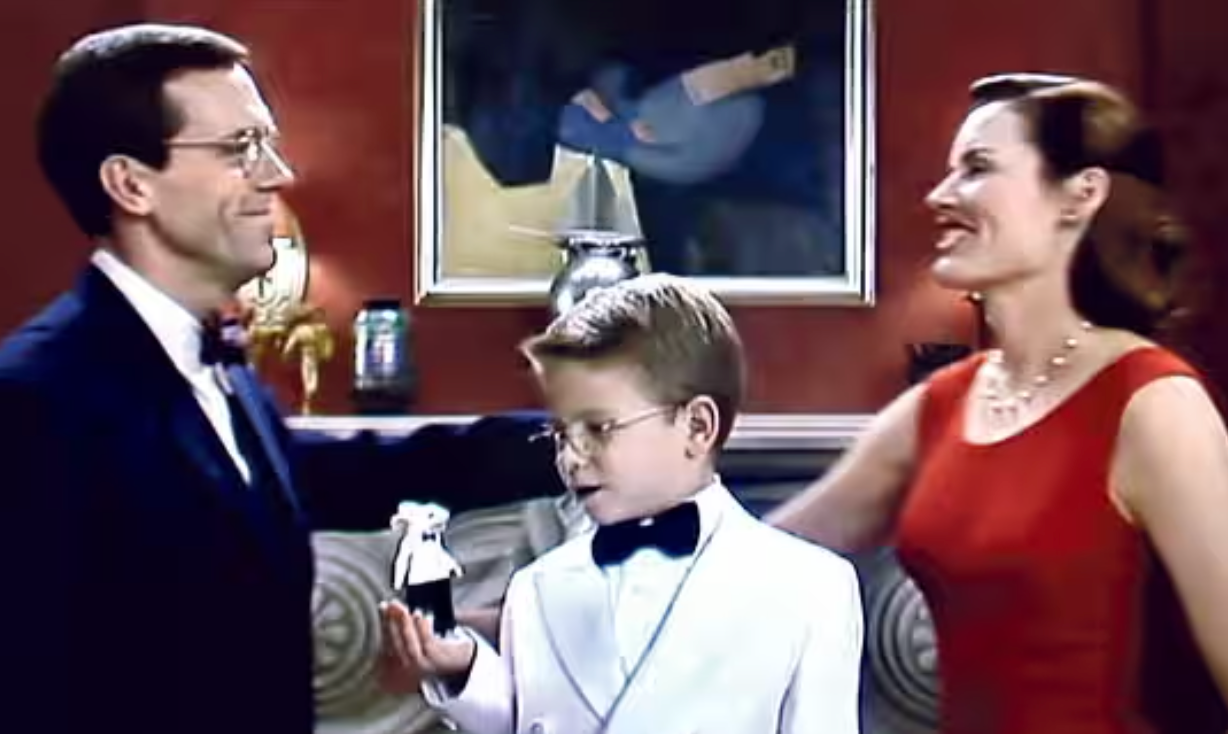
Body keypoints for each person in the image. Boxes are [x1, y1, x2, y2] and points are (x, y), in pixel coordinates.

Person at [0, 23, 562, 734]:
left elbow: (343, 470)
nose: (278, 173)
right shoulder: (38, 399)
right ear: (131, 183)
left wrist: (572, 438)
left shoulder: (212, 365)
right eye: (240, 148)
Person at [769, 73, 1228, 734]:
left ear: (1080, 196)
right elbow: (767, 558)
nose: (940, 195)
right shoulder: (943, 404)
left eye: (977, 169)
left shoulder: (1153, 403)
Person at [381, 273, 864, 733]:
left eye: (598, 428)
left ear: (697, 427)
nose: (570, 457)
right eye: (559, 433)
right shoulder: (537, 589)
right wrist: (463, 667)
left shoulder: (810, 589)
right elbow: (530, 715)